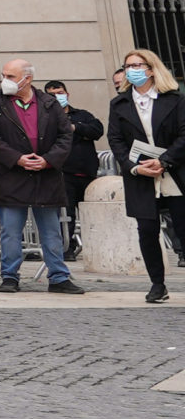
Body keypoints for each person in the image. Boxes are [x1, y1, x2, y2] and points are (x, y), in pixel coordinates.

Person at [0, 59, 84, 295]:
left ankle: (58, 276)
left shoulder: (48, 103)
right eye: (4, 75)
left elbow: (64, 136)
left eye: (10, 76)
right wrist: (17, 158)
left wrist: (48, 160)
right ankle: (9, 276)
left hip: (45, 176)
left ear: (27, 79)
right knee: (10, 231)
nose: (5, 80)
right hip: (11, 176)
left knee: (51, 230)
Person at [109, 48, 185, 304]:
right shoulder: (119, 103)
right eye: (129, 65)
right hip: (140, 175)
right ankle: (157, 284)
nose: (133, 69)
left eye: (138, 65)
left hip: (174, 170)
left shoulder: (174, 98)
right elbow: (116, 139)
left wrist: (164, 160)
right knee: (147, 230)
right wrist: (133, 166)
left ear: (151, 69)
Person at [54, 80, 102, 256]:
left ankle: (97, 248)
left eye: (59, 93)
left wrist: (76, 128)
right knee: (66, 215)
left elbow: (97, 130)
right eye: (52, 95)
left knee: (93, 214)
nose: (57, 97)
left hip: (88, 171)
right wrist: (83, 134)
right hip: (64, 173)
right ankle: (67, 248)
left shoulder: (82, 114)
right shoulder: (47, 118)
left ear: (67, 94)